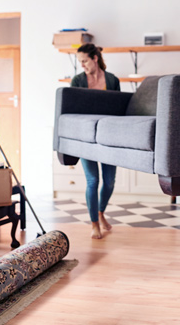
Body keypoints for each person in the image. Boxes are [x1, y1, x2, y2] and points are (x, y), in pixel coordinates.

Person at [71, 43, 120, 239]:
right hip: (86, 138)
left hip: (109, 137)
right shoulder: (77, 81)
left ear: (95, 58)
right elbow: (72, 109)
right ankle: (94, 224)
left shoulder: (112, 80)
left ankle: (100, 212)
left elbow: (119, 108)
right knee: (93, 181)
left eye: (84, 61)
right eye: (80, 62)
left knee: (109, 182)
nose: (82, 65)